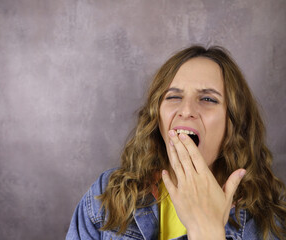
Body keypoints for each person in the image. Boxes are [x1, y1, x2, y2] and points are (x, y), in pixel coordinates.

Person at [66, 45, 286, 240]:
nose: (187, 110)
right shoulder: (107, 196)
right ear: (157, 116)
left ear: (234, 123)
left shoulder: (267, 225)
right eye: (173, 97)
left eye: (208, 99)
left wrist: (208, 234)